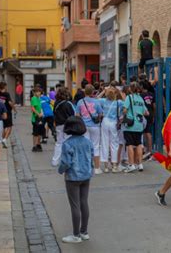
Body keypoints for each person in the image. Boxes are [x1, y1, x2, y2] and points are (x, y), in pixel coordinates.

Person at [58, 116, 93, 244]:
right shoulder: (88, 142)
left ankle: (76, 235)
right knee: (84, 202)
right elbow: (92, 157)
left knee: (75, 205)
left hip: (72, 177)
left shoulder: (67, 144)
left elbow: (65, 163)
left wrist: (60, 170)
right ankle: (84, 232)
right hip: (86, 175)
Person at [75, 84, 103, 174]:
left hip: (84, 126)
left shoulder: (80, 102)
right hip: (95, 126)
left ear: (84, 92)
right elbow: (101, 114)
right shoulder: (96, 102)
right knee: (95, 146)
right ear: (92, 92)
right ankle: (97, 168)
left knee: (85, 147)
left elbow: (77, 115)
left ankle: (86, 167)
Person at [123, 82, 149, 173]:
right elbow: (146, 113)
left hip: (130, 125)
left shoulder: (129, 97)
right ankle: (140, 164)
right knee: (138, 144)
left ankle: (131, 164)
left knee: (129, 144)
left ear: (130, 89)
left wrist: (126, 112)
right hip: (139, 124)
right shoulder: (141, 99)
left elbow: (125, 110)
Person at [99, 88, 123, 173]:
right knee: (114, 144)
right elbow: (124, 102)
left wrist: (103, 91)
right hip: (113, 123)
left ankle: (106, 166)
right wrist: (119, 91)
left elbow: (96, 98)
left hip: (105, 122)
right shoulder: (118, 102)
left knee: (105, 143)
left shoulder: (103, 101)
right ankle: (114, 165)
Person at [52, 87, 76, 167]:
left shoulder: (56, 103)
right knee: (68, 142)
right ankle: (67, 160)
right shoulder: (68, 103)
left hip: (59, 124)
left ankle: (55, 161)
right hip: (68, 125)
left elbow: (54, 113)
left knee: (59, 142)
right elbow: (74, 114)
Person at [140, 80, 155, 160]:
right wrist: (153, 115)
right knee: (148, 133)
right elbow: (154, 105)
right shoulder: (152, 95)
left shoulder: (140, 95)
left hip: (143, 115)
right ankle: (149, 150)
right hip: (150, 114)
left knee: (144, 133)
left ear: (142, 87)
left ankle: (146, 151)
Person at [0, 82, 16, 148]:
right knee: (9, 126)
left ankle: (3, 141)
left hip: (0, 112)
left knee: (3, 127)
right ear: (5, 87)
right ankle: (5, 139)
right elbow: (10, 102)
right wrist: (14, 109)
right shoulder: (6, 94)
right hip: (7, 112)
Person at [31, 86, 44, 152]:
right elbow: (33, 108)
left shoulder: (39, 98)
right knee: (35, 133)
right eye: (37, 92)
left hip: (40, 117)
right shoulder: (34, 98)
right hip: (35, 118)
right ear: (34, 92)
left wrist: (41, 113)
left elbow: (40, 107)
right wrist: (38, 114)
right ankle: (34, 146)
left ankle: (38, 144)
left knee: (40, 132)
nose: (38, 93)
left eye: (39, 92)